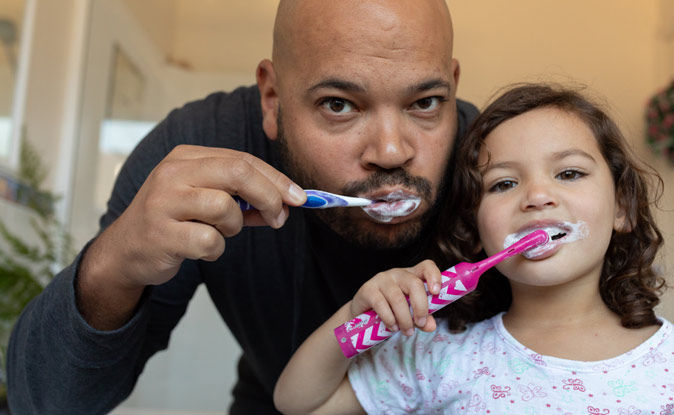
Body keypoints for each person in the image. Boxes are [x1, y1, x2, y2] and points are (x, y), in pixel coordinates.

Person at [6, 1, 479, 414]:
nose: (392, 151)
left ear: (453, 87)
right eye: (339, 105)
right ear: (272, 98)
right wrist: (113, 266)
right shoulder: (202, 148)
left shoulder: (497, 170)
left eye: (426, 102)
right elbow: (48, 404)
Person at [273, 83, 674, 414]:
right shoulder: (442, 355)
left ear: (623, 208)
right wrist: (358, 312)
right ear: (476, 229)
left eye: (569, 173)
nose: (536, 196)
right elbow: (299, 402)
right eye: (504, 183)